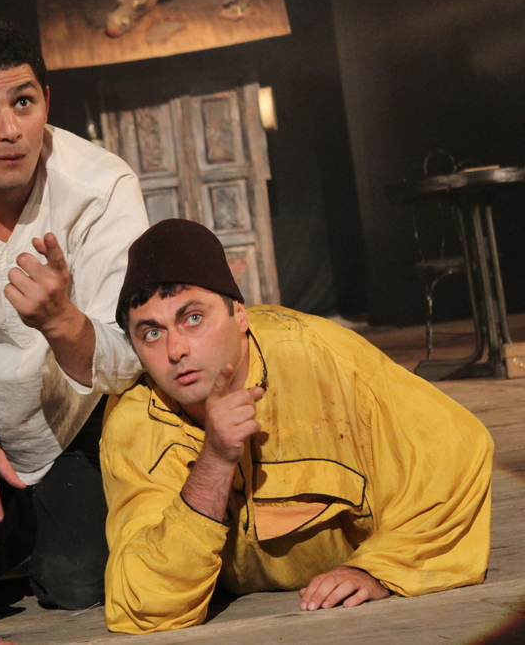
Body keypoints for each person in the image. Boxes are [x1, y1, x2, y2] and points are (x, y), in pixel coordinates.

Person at [102, 219, 494, 634]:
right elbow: (145, 603)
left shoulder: (319, 356)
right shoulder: (134, 423)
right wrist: (214, 459)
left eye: (193, 318)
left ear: (239, 314)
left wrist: (380, 569)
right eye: (152, 333)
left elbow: (458, 450)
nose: (176, 349)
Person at [0, 16, 148, 610]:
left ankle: (47, 526)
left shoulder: (100, 187)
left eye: (23, 102)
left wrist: (61, 319)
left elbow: (129, 360)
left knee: (76, 584)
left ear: (47, 102)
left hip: (75, 422)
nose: (10, 130)